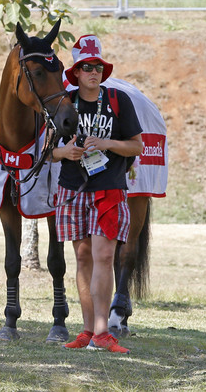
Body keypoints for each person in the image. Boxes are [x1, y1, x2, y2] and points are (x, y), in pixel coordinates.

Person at [52, 34, 143, 354]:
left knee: (105, 256)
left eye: (98, 66)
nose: (93, 72)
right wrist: (66, 152)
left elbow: (137, 145)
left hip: (109, 189)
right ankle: (88, 330)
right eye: (86, 67)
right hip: (73, 189)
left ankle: (104, 333)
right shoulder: (64, 102)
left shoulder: (119, 100)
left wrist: (106, 144)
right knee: (82, 257)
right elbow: (48, 152)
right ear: (75, 72)